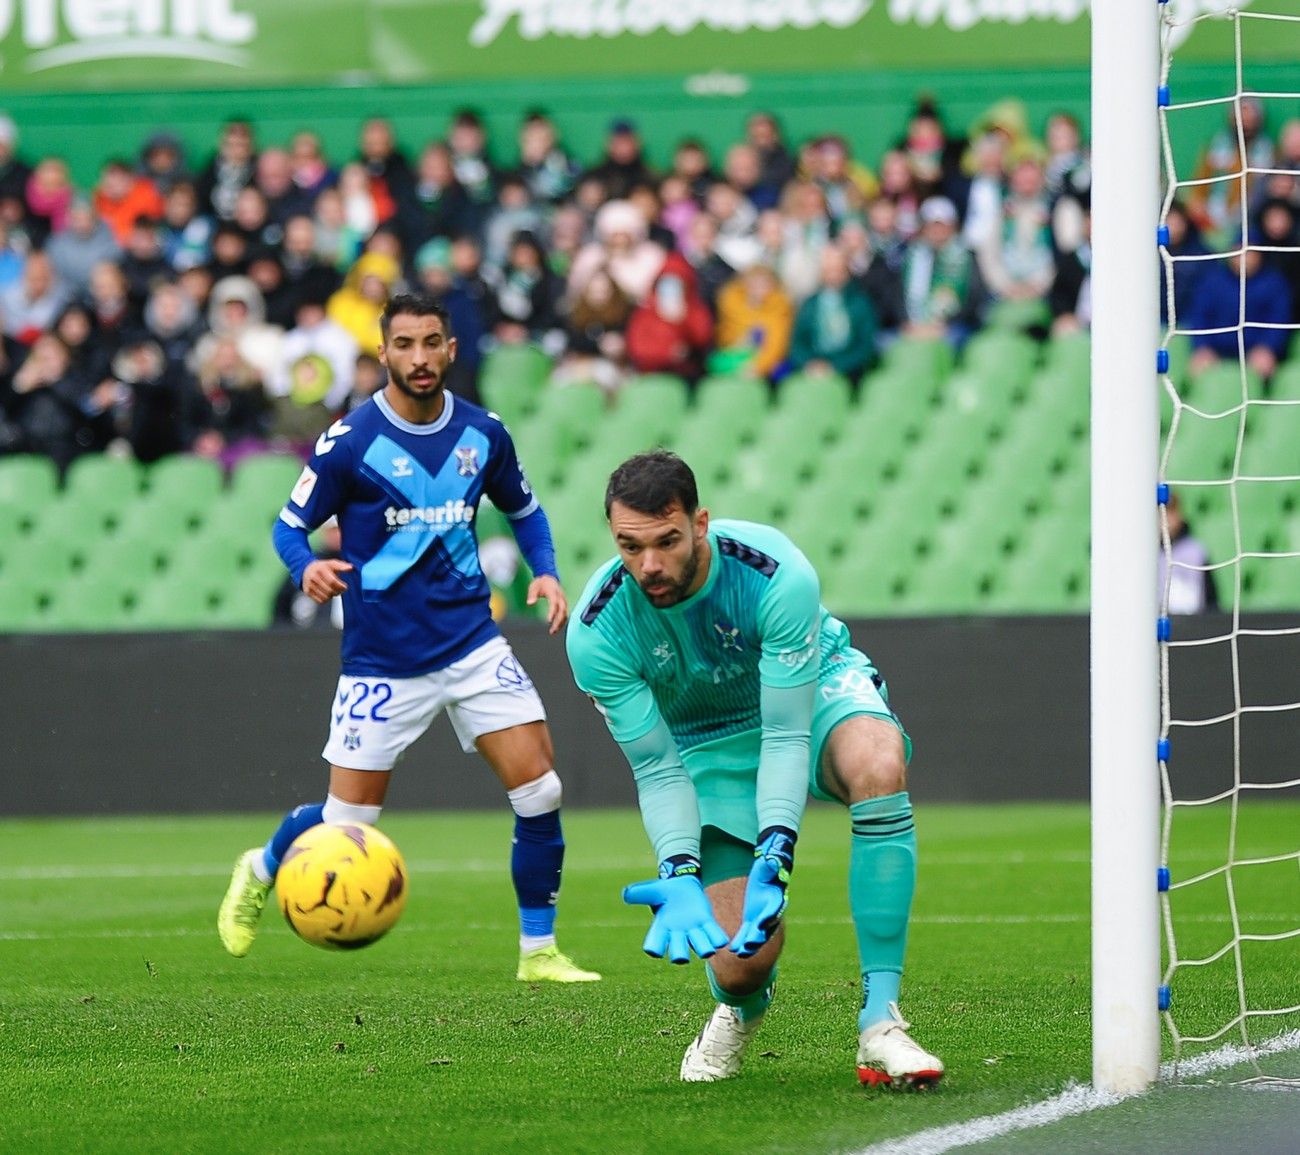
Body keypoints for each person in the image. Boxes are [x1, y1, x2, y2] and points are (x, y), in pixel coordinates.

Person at [217, 292, 600, 986]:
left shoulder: (485, 433)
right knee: (344, 822)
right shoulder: (350, 441)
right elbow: (285, 526)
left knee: (540, 790)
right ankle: (263, 864)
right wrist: (307, 568)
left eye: (432, 343)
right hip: (383, 661)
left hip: (472, 643)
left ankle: (538, 951)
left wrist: (545, 572)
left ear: (451, 349)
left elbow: (525, 510)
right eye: (405, 345)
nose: (419, 358)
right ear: (384, 352)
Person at [565, 450, 943, 1086]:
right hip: (705, 744)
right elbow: (658, 769)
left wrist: (777, 850)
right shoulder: (597, 633)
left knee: (876, 761)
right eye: (630, 547)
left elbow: (787, 732)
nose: (649, 566)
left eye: (666, 542)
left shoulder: (775, 574)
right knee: (742, 962)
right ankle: (739, 1009)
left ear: (700, 523)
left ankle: (882, 1023)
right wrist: (678, 871)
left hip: (808, 695)